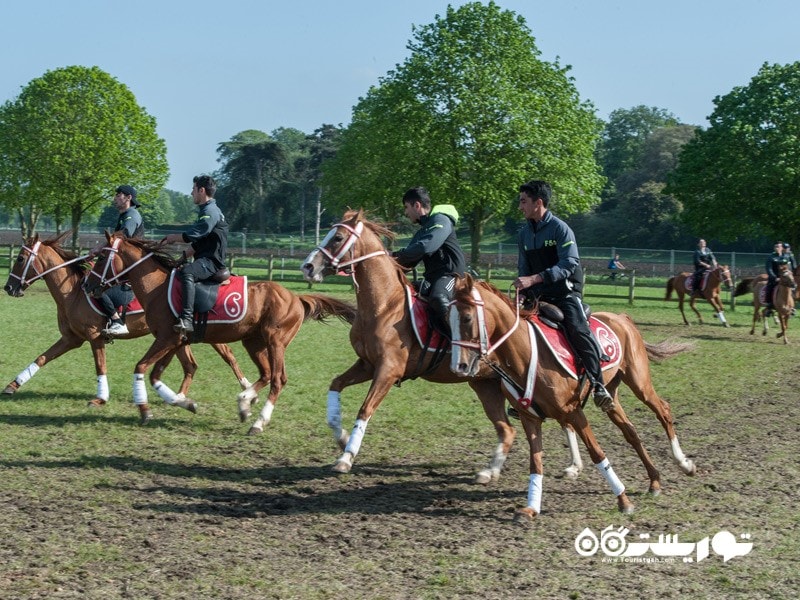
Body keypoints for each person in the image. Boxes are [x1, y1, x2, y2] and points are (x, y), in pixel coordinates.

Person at [512, 180, 614, 412]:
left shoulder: (560, 229)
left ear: (539, 203)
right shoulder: (524, 233)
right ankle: (522, 392)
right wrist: (522, 292)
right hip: (536, 295)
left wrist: (535, 279)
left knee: (578, 329)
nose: (520, 207)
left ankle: (599, 385)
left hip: (564, 292)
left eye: (523, 201)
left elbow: (569, 263)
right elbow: (523, 269)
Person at [392, 186, 466, 336]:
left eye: (406, 207)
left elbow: (426, 247)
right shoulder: (424, 230)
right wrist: (385, 260)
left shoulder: (441, 219)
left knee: (438, 298)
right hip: (433, 278)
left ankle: (459, 341)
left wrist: (397, 255)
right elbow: (408, 260)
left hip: (451, 276)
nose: (405, 212)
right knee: (404, 293)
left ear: (417, 205)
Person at [161, 175, 228, 333]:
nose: (191, 193)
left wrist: (172, 238)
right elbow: (198, 244)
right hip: (206, 258)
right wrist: (179, 260)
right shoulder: (206, 210)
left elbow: (195, 234)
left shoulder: (210, 211)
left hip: (212, 262)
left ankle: (187, 319)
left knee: (187, 272)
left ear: (201, 190)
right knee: (181, 268)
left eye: (193, 189)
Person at [99, 185, 144, 336]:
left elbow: (123, 234)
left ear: (128, 198)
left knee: (98, 290)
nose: (115, 198)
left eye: (119, 195)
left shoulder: (132, 214)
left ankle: (117, 322)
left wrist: (99, 248)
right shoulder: (124, 216)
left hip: (130, 272)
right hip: (124, 267)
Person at [764, 241, 789, 316]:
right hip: (774, 278)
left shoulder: (786, 256)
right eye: (776, 247)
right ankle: (769, 306)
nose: (777, 248)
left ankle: (791, 305)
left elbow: (788, 267)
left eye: (779, 246)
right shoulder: (771, 257)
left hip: (785, 277)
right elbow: (769, 269)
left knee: (793, 287)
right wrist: (774, 277)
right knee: (769, 288)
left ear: (782, 248)